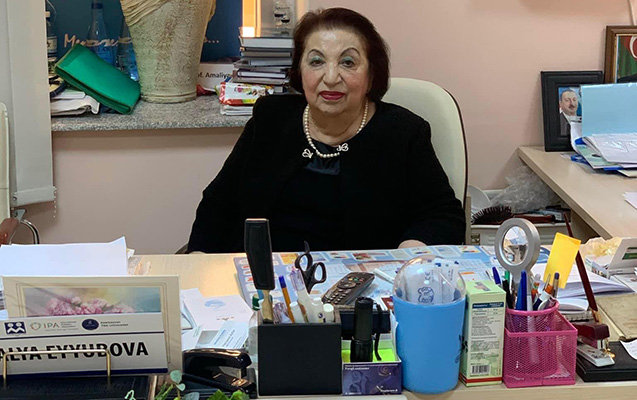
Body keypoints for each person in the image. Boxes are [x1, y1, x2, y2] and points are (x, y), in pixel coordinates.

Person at [187, 8, 465, 253]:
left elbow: (443, 214)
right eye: (316, 61)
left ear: (371, 75)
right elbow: (219, 203)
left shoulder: (403, 132)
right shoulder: (271, 118)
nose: (331, 78)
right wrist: (199, 258)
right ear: (299, 71)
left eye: (348, 62)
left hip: (363, 284)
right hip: (265, 280)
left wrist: (412, 249)